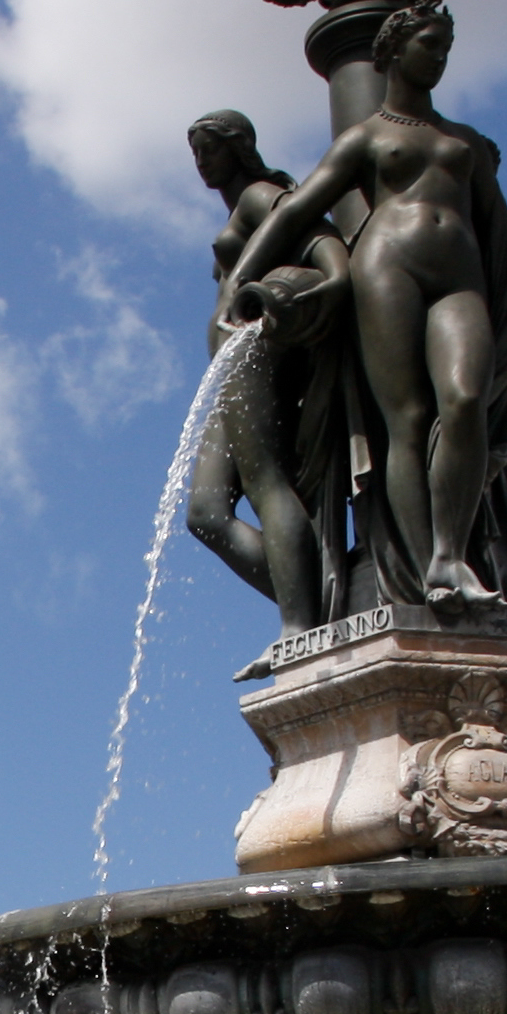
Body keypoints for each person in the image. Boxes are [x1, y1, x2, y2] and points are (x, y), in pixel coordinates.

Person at [220, 2, 507, 615]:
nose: (440, 57)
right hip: (388, 270)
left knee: (464, 399)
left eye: (445, 47)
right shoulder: (367, 137)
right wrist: (241, 282)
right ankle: (425, 568)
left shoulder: (464, 142)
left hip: (460, 279)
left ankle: (450, 551)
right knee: (405, 421)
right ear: (392, 51)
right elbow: (297, 211)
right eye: (429, 45)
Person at [183, 108, 348, 633]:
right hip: (233, 368)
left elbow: (316, 233)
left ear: (239, 147)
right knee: (205, 513)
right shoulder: (240, 208)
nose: (201, 161)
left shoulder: (259, 195)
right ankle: (323, 600)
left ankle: (298, 626)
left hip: (260, 352)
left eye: (209, 148)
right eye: (195, 152)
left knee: (265, 483)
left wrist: (337, 277)